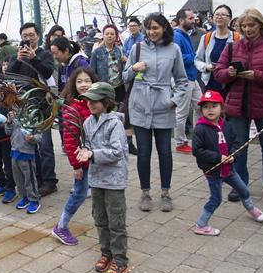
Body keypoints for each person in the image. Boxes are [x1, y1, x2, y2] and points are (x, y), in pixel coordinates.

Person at [213, 9, 263, 204]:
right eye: (244, 26)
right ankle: (239, 185)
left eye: (251, 25)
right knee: (239, 148)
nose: (247, 29)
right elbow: (218, 73)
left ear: (260, 25)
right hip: (238, 106)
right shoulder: (232, 48)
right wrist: (229, 73)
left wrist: (257, 75)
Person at [124, 13, 188, 213]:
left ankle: (165, 192)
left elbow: (182, 81)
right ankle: (145, 193)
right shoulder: (137, 48)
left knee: (165, 153)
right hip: (140, 106)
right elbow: (124, 77)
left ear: (164, 28)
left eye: (156, 28)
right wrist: (134, 68)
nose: (152, 32)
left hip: (163, 107)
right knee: (143, 153)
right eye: (149, 28)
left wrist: (173, 101)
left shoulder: (174, 49)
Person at [75, 82, 130, 273]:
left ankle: (121, 260)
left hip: (114, 180)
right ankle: (106, 253)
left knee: (116, 220)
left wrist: (92, 153)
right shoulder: (88, 122)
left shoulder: (115, 123)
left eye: (95, 99)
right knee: (99, 217)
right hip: (96, 178)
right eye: (88, 99)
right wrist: (83, 150)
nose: (90, 103)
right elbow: (88, 143)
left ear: (106, 101)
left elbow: (117, 152)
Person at [192, 90, 263, 236]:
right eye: (206, 107)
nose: (210, 109)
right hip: (213, 172)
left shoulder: (227, 125)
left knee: (243, 190)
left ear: (222, 108)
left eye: (214, 106)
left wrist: (233, 155)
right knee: (215, 199)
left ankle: (252, 209)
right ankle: (201, 225)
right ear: (201, 110)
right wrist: (218, 158)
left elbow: (237, 142)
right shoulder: (200, 129)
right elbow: (197, 151)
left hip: (229, 168)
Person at [8, 22, 58, 196]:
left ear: (38, 35)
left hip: (43, 106)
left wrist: (34, 58)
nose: (28, 38)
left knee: (44, 145)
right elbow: (9, 77)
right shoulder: (18, 56)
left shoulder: (44, 54)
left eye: (31, 35)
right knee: (29, 144)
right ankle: (36, 178)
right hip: (24, 106)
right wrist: (19, 59)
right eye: (25, 36)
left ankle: (50, 181)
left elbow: (47, 72)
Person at [53, 67, 98, 246]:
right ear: (73, 84)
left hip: (97, 159)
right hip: (82, 161)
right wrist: (76, 166)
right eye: (79, 81)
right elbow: (70, 141)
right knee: (79, 193)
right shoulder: (72, 108)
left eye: (87, 80)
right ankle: (61, 226)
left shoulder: (96, 104)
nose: (84, 84)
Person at [91, 23, 136, 155]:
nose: (110, 36)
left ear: (116, 36)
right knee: (105, 115)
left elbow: (127, 67)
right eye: (107, 34)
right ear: (103, 36)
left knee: (124, 116)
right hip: (104, 88)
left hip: (119, 86)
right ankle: (106, 143)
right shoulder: (96, 52)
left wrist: (125, 60)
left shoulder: (119, 50)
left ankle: (128, 144)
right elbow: (92, 71)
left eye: (112, 34)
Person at [173, 8, 204, 152]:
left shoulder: (185, 34)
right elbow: (176, 58)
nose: (194, 21)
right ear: (181, 20)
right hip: (183, 79)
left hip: (192, 77)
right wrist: (195, 57)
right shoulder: (177, 36)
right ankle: (180, 142)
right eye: (190, 18)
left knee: (200, 106)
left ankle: (199, 138)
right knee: (182, 112)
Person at [195, 5, 240, 92]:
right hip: (210, 83)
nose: (219, 17)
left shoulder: (237, 38)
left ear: (230, 18)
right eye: (216, 14)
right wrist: (206, 67)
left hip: (231, 84)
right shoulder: (206, 38)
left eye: (223, 14)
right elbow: (197, 60)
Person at [5, 109, 41, 214]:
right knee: (18, 179)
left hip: (27, 154)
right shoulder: (15, 118)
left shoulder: (34, 119)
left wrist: (32, 138)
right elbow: (8, 132)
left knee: (29, 179)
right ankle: (24, 197)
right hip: (14, 152)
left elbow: (39, 137)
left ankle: (34, 199)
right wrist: (9, 122)